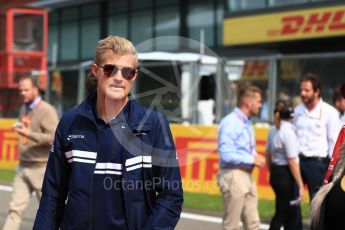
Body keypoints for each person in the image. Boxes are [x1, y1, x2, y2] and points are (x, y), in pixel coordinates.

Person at [33, 35, 183, 229]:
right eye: (110, 69)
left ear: (134, 75)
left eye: (127, 72)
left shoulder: (154, 125)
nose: (119, 78)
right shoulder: (70, 123)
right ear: (96, 71)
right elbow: (52, 195)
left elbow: (171, 195)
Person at [2, 76, 59, 230]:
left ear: (35, 90)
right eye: (20, 90)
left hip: (41, 169)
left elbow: (54, 138)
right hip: (23, 167)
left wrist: (28, 134)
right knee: (14, 210)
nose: (22, 93)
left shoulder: (47, 110)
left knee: (50, 213)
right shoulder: (24, 108)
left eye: (26, 90)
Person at [217, 85, 265, 230]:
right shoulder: (231, 122)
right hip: (233, 175)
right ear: (248, 103)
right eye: (259, 101)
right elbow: (226, 154)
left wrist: (255, 156)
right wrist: (252, 159)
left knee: (253, 224)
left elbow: (245, 149)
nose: (260, 105)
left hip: (247, 176)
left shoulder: (247, 122)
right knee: (231, 226)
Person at [293, 73, 341, 200]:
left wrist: (333, 169)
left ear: (316, 91)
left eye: (306, 90)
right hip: (297, 161)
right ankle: (295, 221)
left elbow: (333, 142)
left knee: (317, 203)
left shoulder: (330, 112)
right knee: (292, 199)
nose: (302, 93)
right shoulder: (297, 111)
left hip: (317, 164)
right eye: (301, 90)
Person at [266, 100, 304, 230]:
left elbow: (268, 155)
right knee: (283, 212)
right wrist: (300, 185)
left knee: (288, 211)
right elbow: (292, 161)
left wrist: (273, 171)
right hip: (285, 175)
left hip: (276, 172)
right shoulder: (288, 132)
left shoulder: (273, 129)